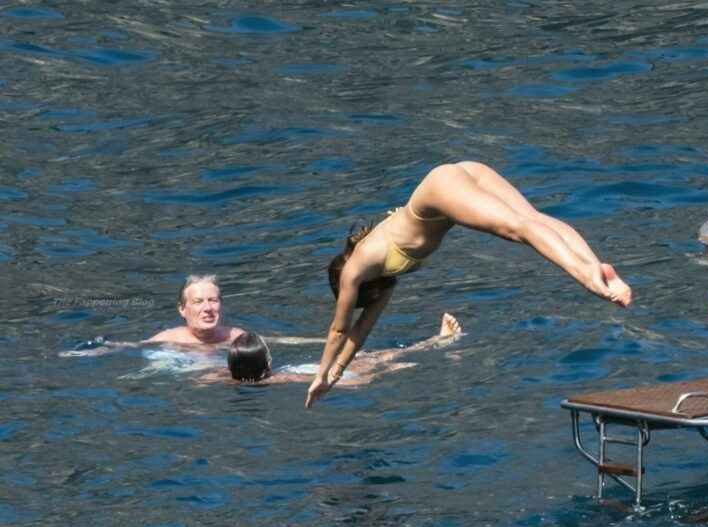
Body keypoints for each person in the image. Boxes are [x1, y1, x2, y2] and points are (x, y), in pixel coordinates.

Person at [305, 161, 632, 409]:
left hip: (441, 188)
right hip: (460, 174)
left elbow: (340, 330)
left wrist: (319, 373)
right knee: (534, 220)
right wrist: (333, 376)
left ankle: (592, 283)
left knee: (519, 229)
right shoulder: (383, 277)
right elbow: (360, 333)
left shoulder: (356, 270)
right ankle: (597, 269)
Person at [200, 313, 463, 385]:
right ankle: (439, 341)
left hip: (320, 371)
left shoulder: (230, 379)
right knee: (383, 357)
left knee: (369, 356)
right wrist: (370, 376)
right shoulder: (278, 377)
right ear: (267, 363)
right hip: (332, 375)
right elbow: (307, 379)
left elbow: (208, 377)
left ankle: (434, 343)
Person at [146, 274, 244, 345]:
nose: (208, 308)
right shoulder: (166, 341)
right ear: (182, 309)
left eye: (213, 300)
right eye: (198, 302)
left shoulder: (238, 339)